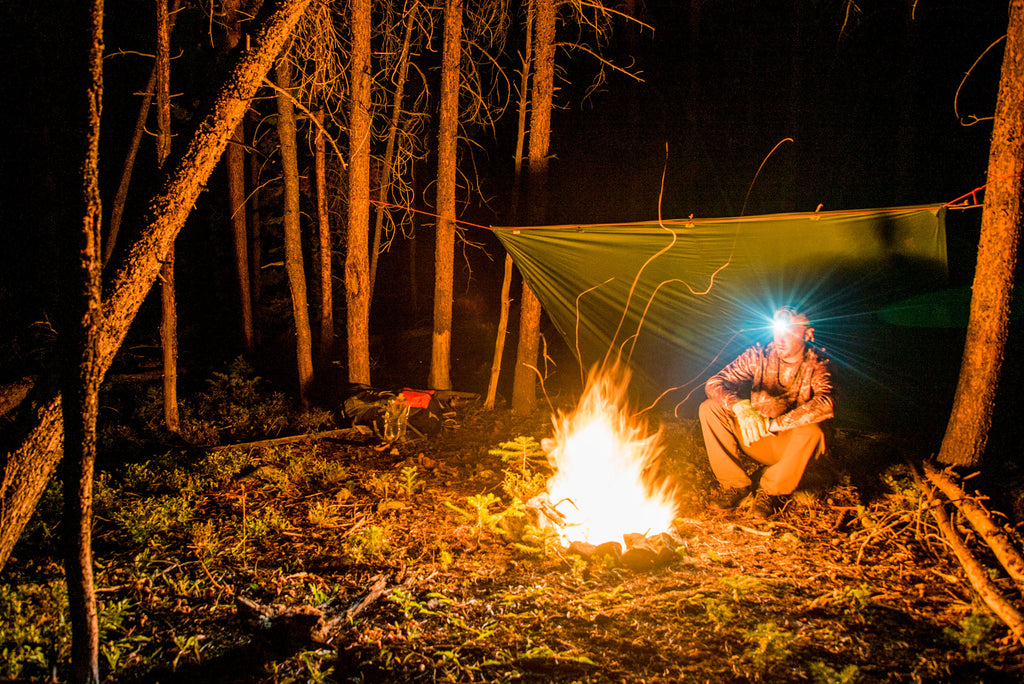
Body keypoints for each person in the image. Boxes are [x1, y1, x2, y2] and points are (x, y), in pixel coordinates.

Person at [698, 306, 834, 518]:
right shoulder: (760, 355)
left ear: (808, 334)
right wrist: (739, 406)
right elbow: (715, 382)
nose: (780, 339)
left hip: (793, 449)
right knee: (710, 408)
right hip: (757, 439)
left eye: (788, 332)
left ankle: (771, 491)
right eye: (777, 331)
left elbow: (826, 403)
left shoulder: (819, 363)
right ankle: (736, 485)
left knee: (813, 431)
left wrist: (773, 424)